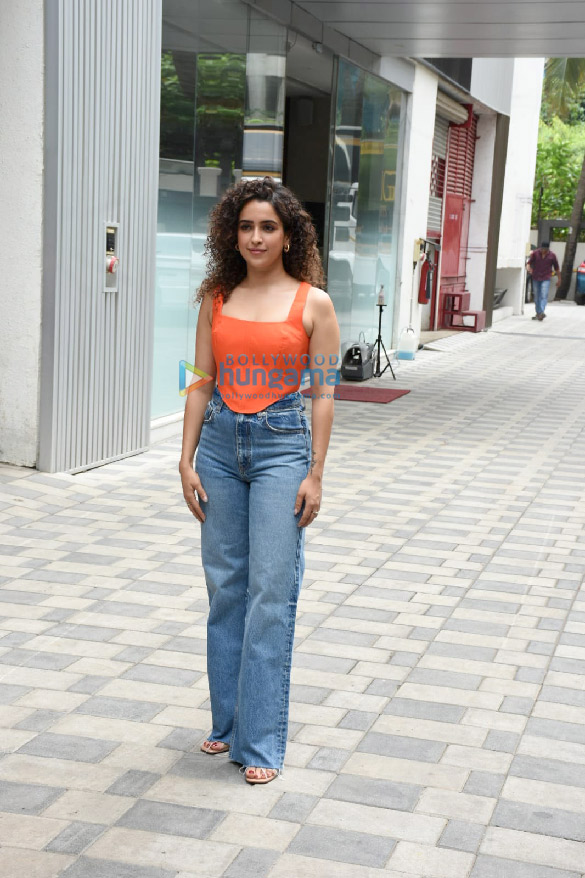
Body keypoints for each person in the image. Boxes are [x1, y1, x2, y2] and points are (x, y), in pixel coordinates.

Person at [179, 177, 340, 785]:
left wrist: (316, 472)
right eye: (245, 226)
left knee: (271, 592)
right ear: (231, 233)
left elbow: (324, 393)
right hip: (219, 445)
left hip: (281, 449)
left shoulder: (313, 303)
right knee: (225, 589)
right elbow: (197, 376)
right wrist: (185, 456)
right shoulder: (216, 297)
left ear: (289, 234)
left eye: (268, 226)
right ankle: (228, 724)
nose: (255, 236)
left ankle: (262, 742)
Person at [527, 241, 560, 320]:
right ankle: (538, 313)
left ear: (548, 249)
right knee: (537, 296)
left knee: (544, 295)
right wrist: (529, 269)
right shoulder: (535, 253)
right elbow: (529, 263)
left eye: (545, 249)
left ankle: (541, 312)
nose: (543, 251)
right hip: (536, 277)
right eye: (542, 249)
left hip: (546, 277)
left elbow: (557, 268)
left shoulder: (552, 255)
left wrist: (559, 279)